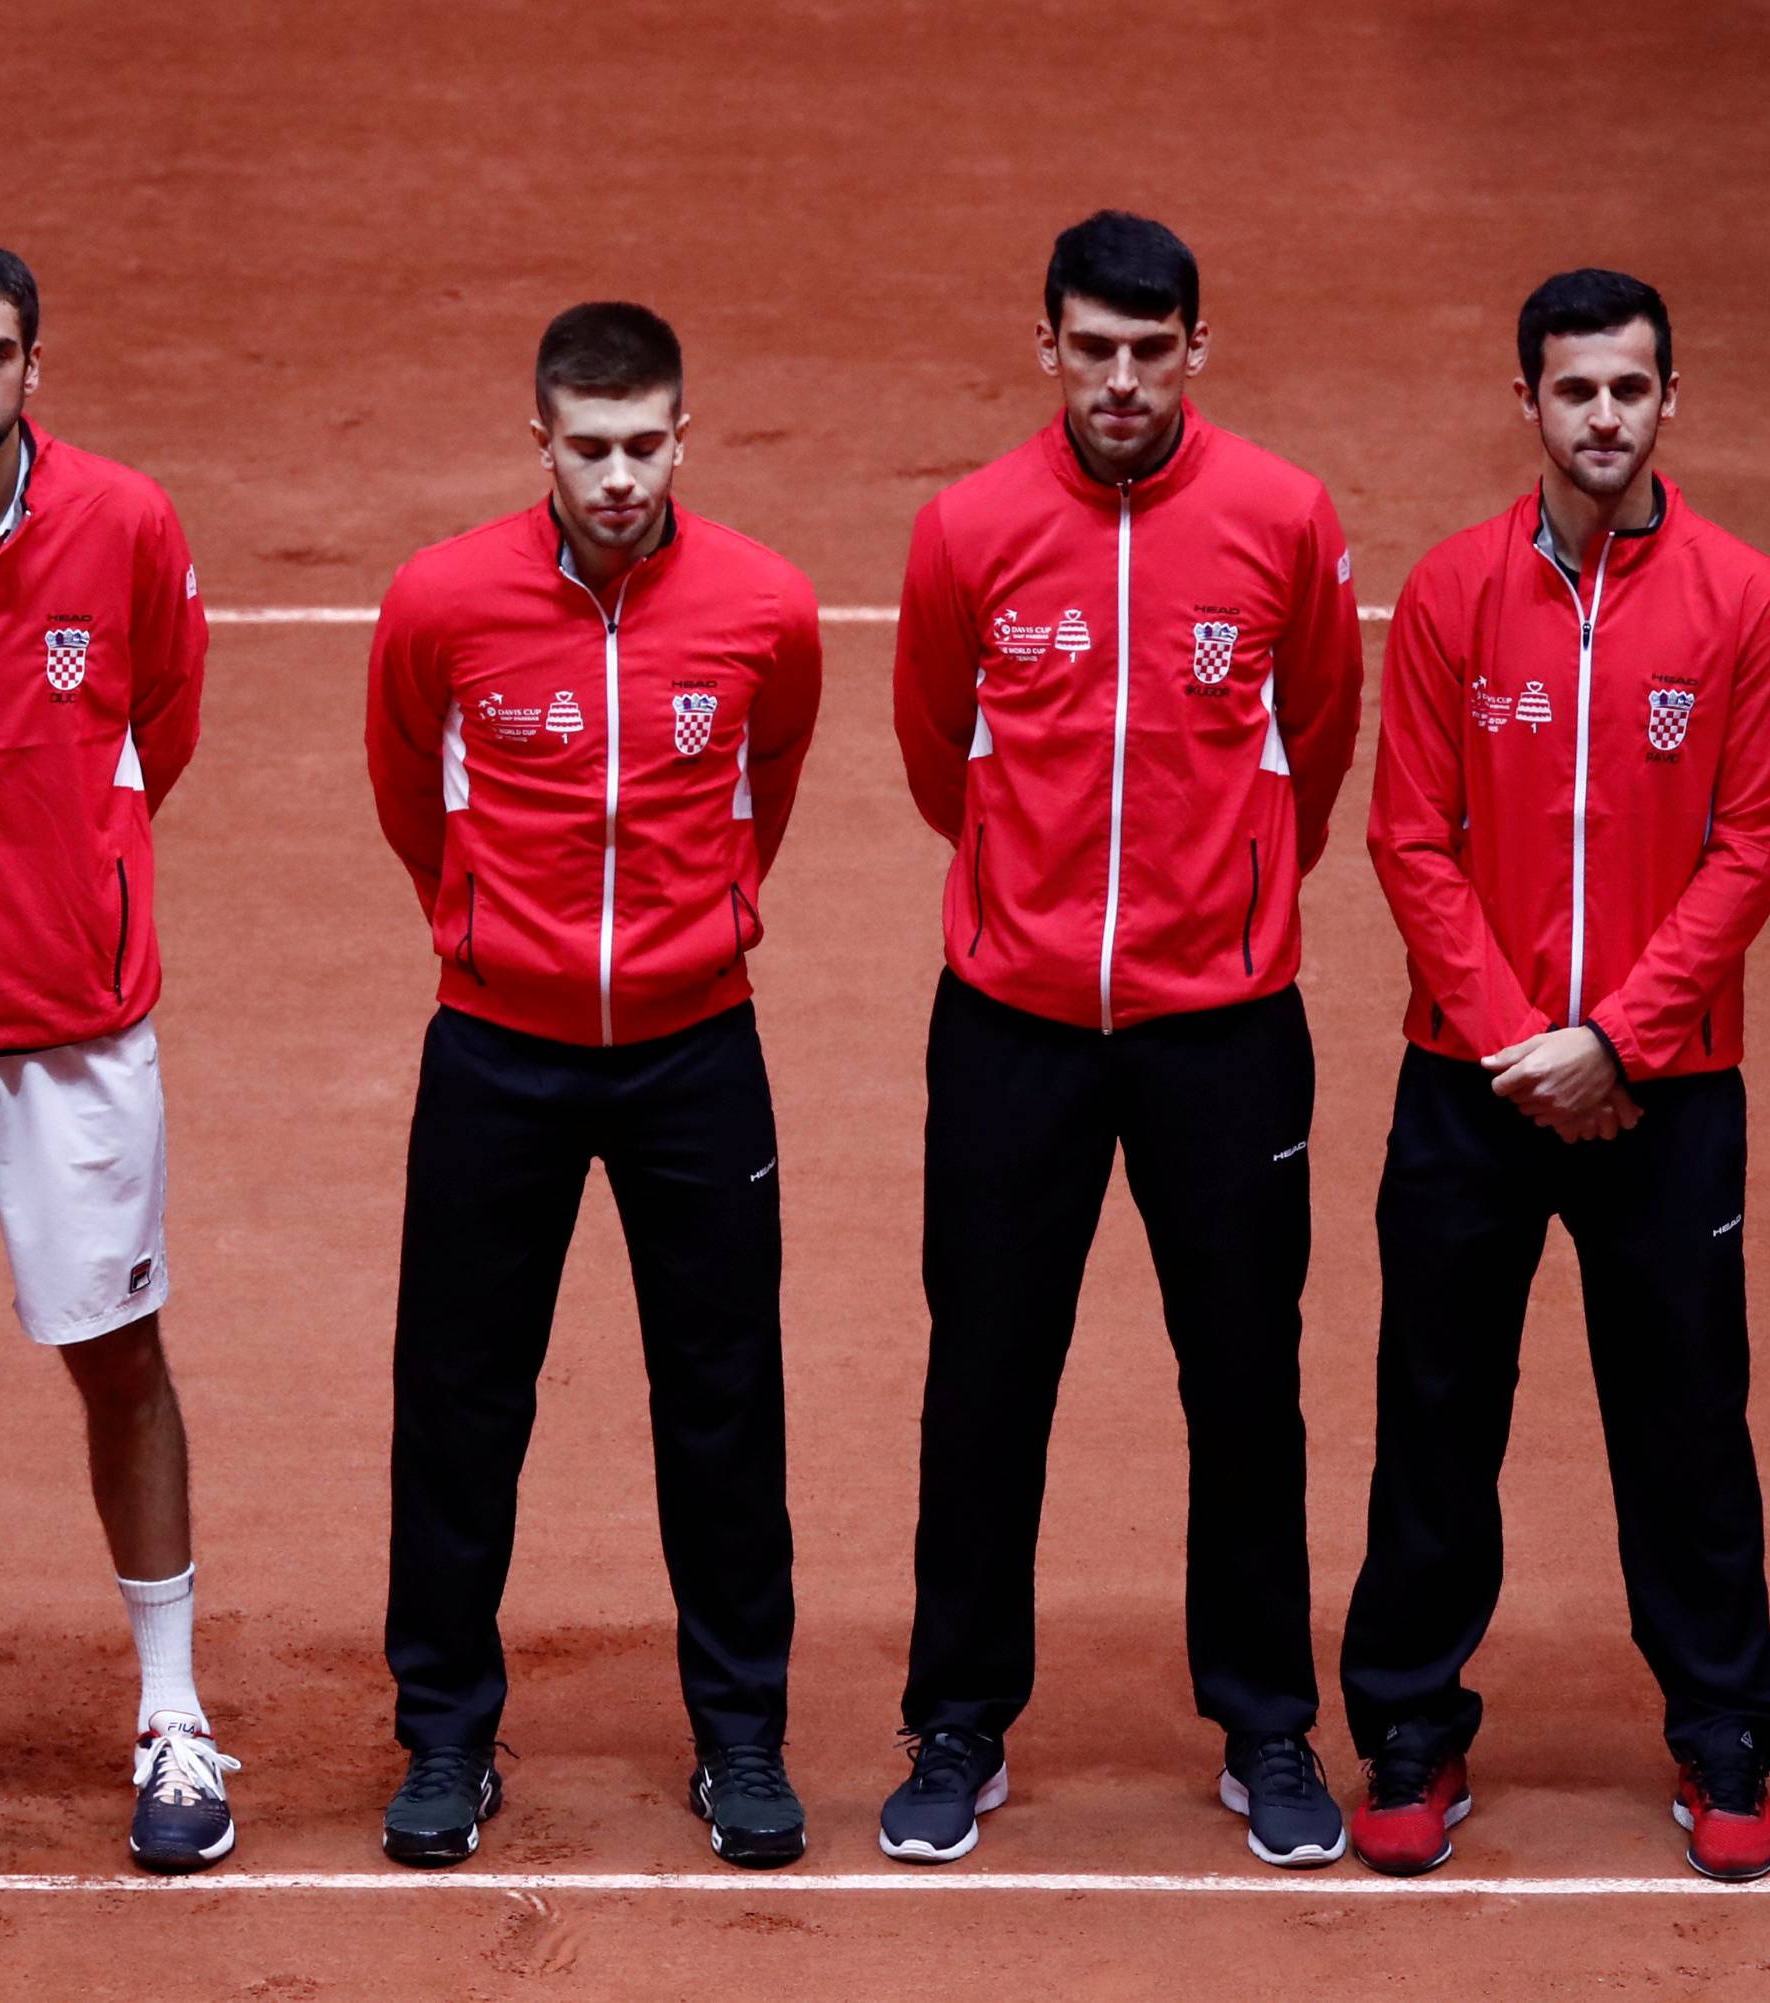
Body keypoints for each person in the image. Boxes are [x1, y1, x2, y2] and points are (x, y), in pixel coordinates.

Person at [883, 211, 1363, 1867]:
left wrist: (1217, 917)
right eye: (1094, 348)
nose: (1122, 380)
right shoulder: (967, 531)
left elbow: (1315, 740)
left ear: (1195, 355)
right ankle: (958, 1720)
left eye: (1153, 351)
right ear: (1049, 350)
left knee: (1245, 1382)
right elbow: (940, 756)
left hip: (1224, 1036)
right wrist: (1037, 918)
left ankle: (1270, 1729)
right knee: (986, 1379)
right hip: (1011, 1027)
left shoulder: (1287, 521)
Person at [366, 301, 822, 1870]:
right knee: (460, 1396)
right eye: (589, 448)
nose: (618, 478)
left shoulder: (764, 605)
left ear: (684, 438)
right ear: (540, 442)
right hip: (498, 1050)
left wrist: (691, 936)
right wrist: (502, 940)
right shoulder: (441, 602)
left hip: (699, 1051)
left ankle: (742, 1740)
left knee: (722, 1401)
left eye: (644, 446)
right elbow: (408, 796)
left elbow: (772, 780)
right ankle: (443, 1737)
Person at [1343, 270, 1770, 1882]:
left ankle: (1728, 1723)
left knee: (1687, 1420)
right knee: (1436, 1410)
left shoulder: (1741, 597)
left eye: (1631, 389)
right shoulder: (1454, 594)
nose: (1604, 416)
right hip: (1474, 1088)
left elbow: (1751, 846)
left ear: (1672, 403)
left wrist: (1621, 1041)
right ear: (1526, 400)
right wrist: (1527, 1045)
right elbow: (1409, 836)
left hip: (1669, 1090)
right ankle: (1410, 1723)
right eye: (1576, 389)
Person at [0, 239, 226, 1872]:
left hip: (81, 1031)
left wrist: (75, 895)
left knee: (121, 1356)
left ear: (33, 368)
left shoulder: (124, 525)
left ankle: (172, 1715)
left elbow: (165, 728)